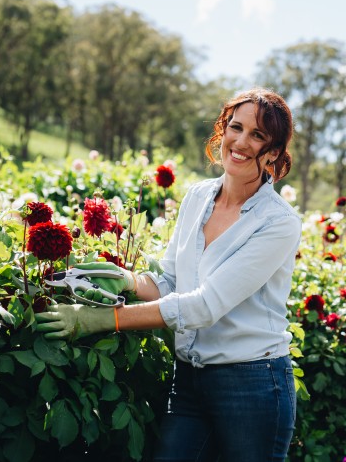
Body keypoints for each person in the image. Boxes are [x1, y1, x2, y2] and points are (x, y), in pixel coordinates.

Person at [35, 87, 302, 461]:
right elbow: (172, 284)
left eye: (257, 135)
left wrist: (102, 320)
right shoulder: (197, 197)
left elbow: (206, 305)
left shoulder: (278, 222)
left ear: (273, 152)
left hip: (253, 385)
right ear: (222, 130)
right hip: (191, 378)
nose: (240, 142)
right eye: (235, 127)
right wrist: (127, 280)